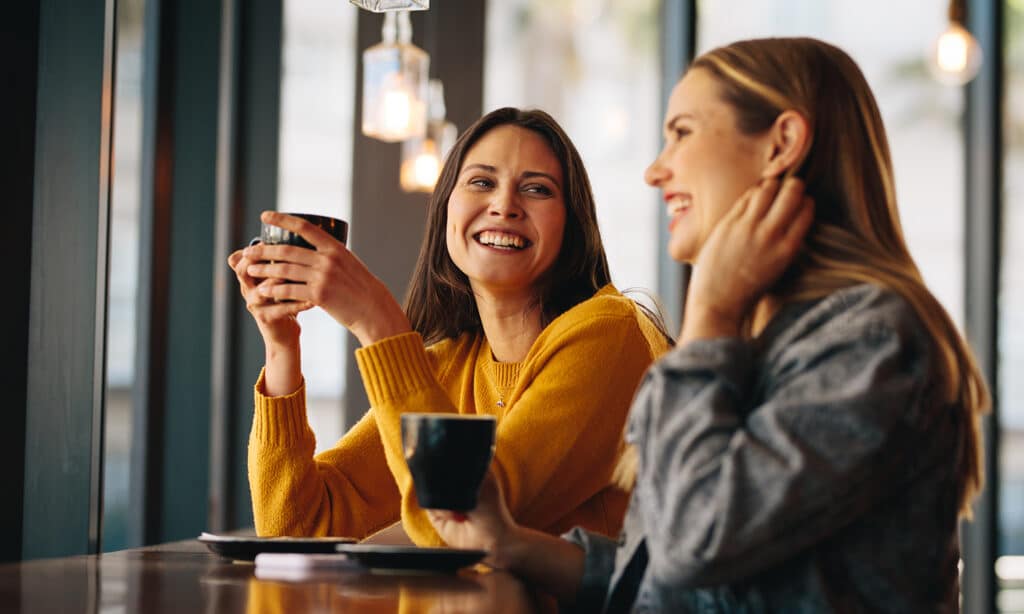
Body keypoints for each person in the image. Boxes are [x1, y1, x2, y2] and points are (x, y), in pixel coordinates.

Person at [426, 37, 990, 612]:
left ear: (782, 145)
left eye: (683, 132)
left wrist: (710, 314)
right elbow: (681, 587)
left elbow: (695, 544)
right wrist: (511, 545)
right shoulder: (766, 339)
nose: (654, 170)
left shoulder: (871, 341)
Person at [227, 107, 671, 547]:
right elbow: (298, 529)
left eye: (537, 189)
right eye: (482, 182)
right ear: (445, 212)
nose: (504, 206)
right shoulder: (449, 367)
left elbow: (466, 523)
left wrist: (377, 321)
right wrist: (282, 345)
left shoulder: (608, 334)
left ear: (572, 225)